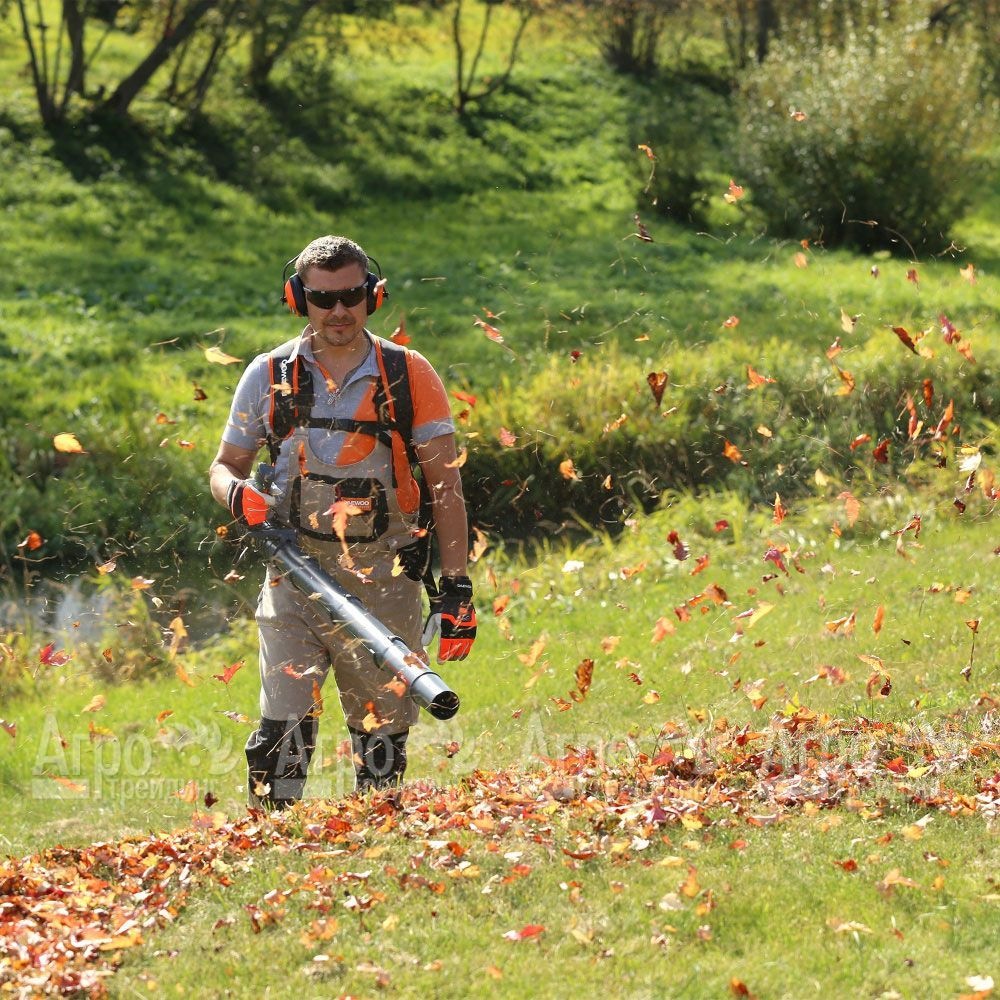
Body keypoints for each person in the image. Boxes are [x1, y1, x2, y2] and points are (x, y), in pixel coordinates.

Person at [208, 235, 476, 807]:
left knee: (381, 738)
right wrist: (237, 495)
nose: (338, 311)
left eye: (351, 296)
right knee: (281, 732)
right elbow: (224, 466)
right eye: (323, 298)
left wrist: (456, 588)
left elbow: (446, 488)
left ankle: (376, 833)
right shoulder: (268, 374)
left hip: (387, 579)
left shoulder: (408, 375)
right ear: (297, 298)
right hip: (294, 575)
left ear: (372, 295)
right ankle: (272, 835)